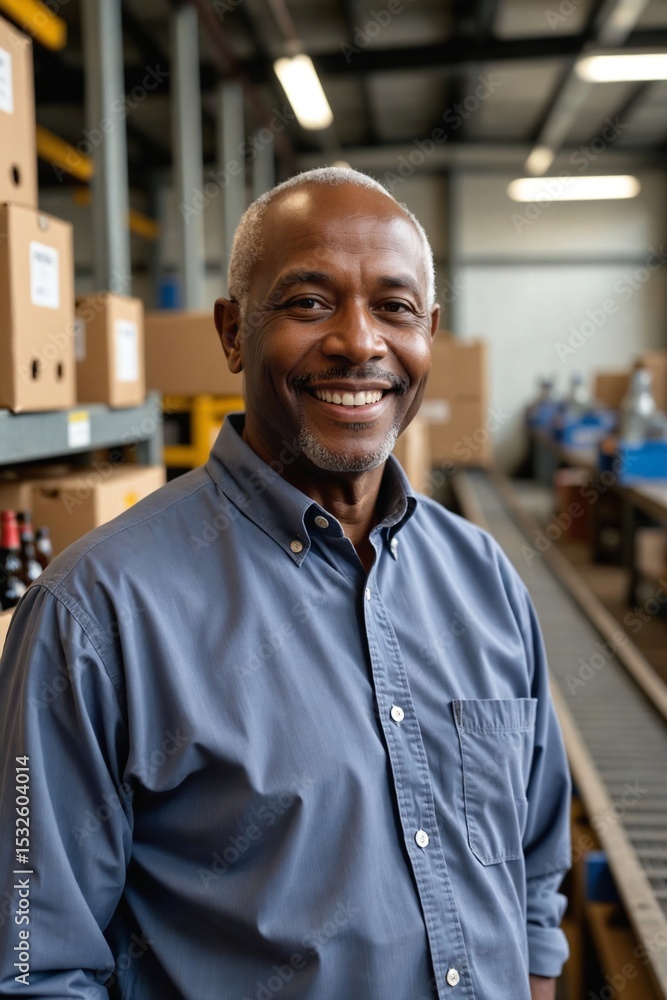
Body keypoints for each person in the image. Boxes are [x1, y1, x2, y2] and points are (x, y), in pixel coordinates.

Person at [0, 167, 571, 999]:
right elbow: (35, 964)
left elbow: (530, 877)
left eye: (394, 308)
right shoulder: (96, 616)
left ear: (428, 335)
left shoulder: (482, 580)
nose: (359, 342)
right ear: (233, 332)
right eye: (308, 303)